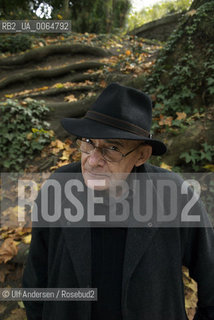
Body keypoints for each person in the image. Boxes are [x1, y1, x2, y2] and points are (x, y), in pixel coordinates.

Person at [22, 83, 214, 320]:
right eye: (89, 143)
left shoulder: (174, 195)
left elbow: (210, 273)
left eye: (112, 148)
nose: (92, 161)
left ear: (141, 156)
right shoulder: (58, 187)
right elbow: (36, 277)